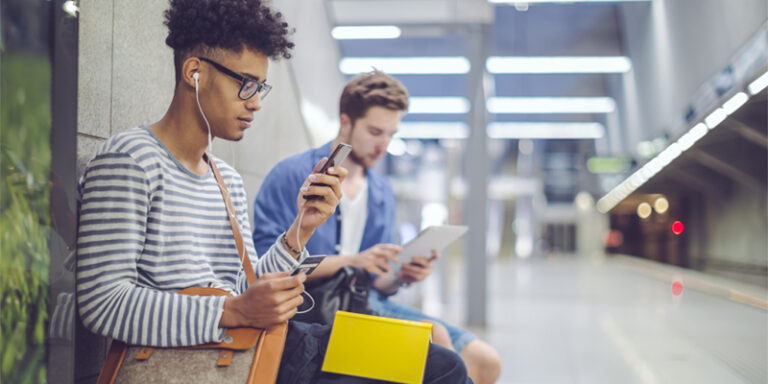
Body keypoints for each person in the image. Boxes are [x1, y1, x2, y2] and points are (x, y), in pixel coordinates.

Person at [75, 1, 471, 383]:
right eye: (245, 84)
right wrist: (232, 311)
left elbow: (246, 288)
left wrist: (301, 230)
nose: (256, 104)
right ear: (194, 72)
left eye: (260, 87)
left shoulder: (224, 177)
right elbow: (102, 304)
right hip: (202, 354)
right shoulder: (130, 160)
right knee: (439, 368)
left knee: (436, 360)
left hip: (260, 344)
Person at [252, 71, 502, 384]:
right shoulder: (292, 176)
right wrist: (351, 261)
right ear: (345, 122)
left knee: (485, 361)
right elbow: (264, 268)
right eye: (375, 132)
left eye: (390, 135)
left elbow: (375, 281)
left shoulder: (381, 191)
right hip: (313, 311)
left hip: (366, 302)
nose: (383, 145)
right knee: (437, 341)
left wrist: (401, 274)